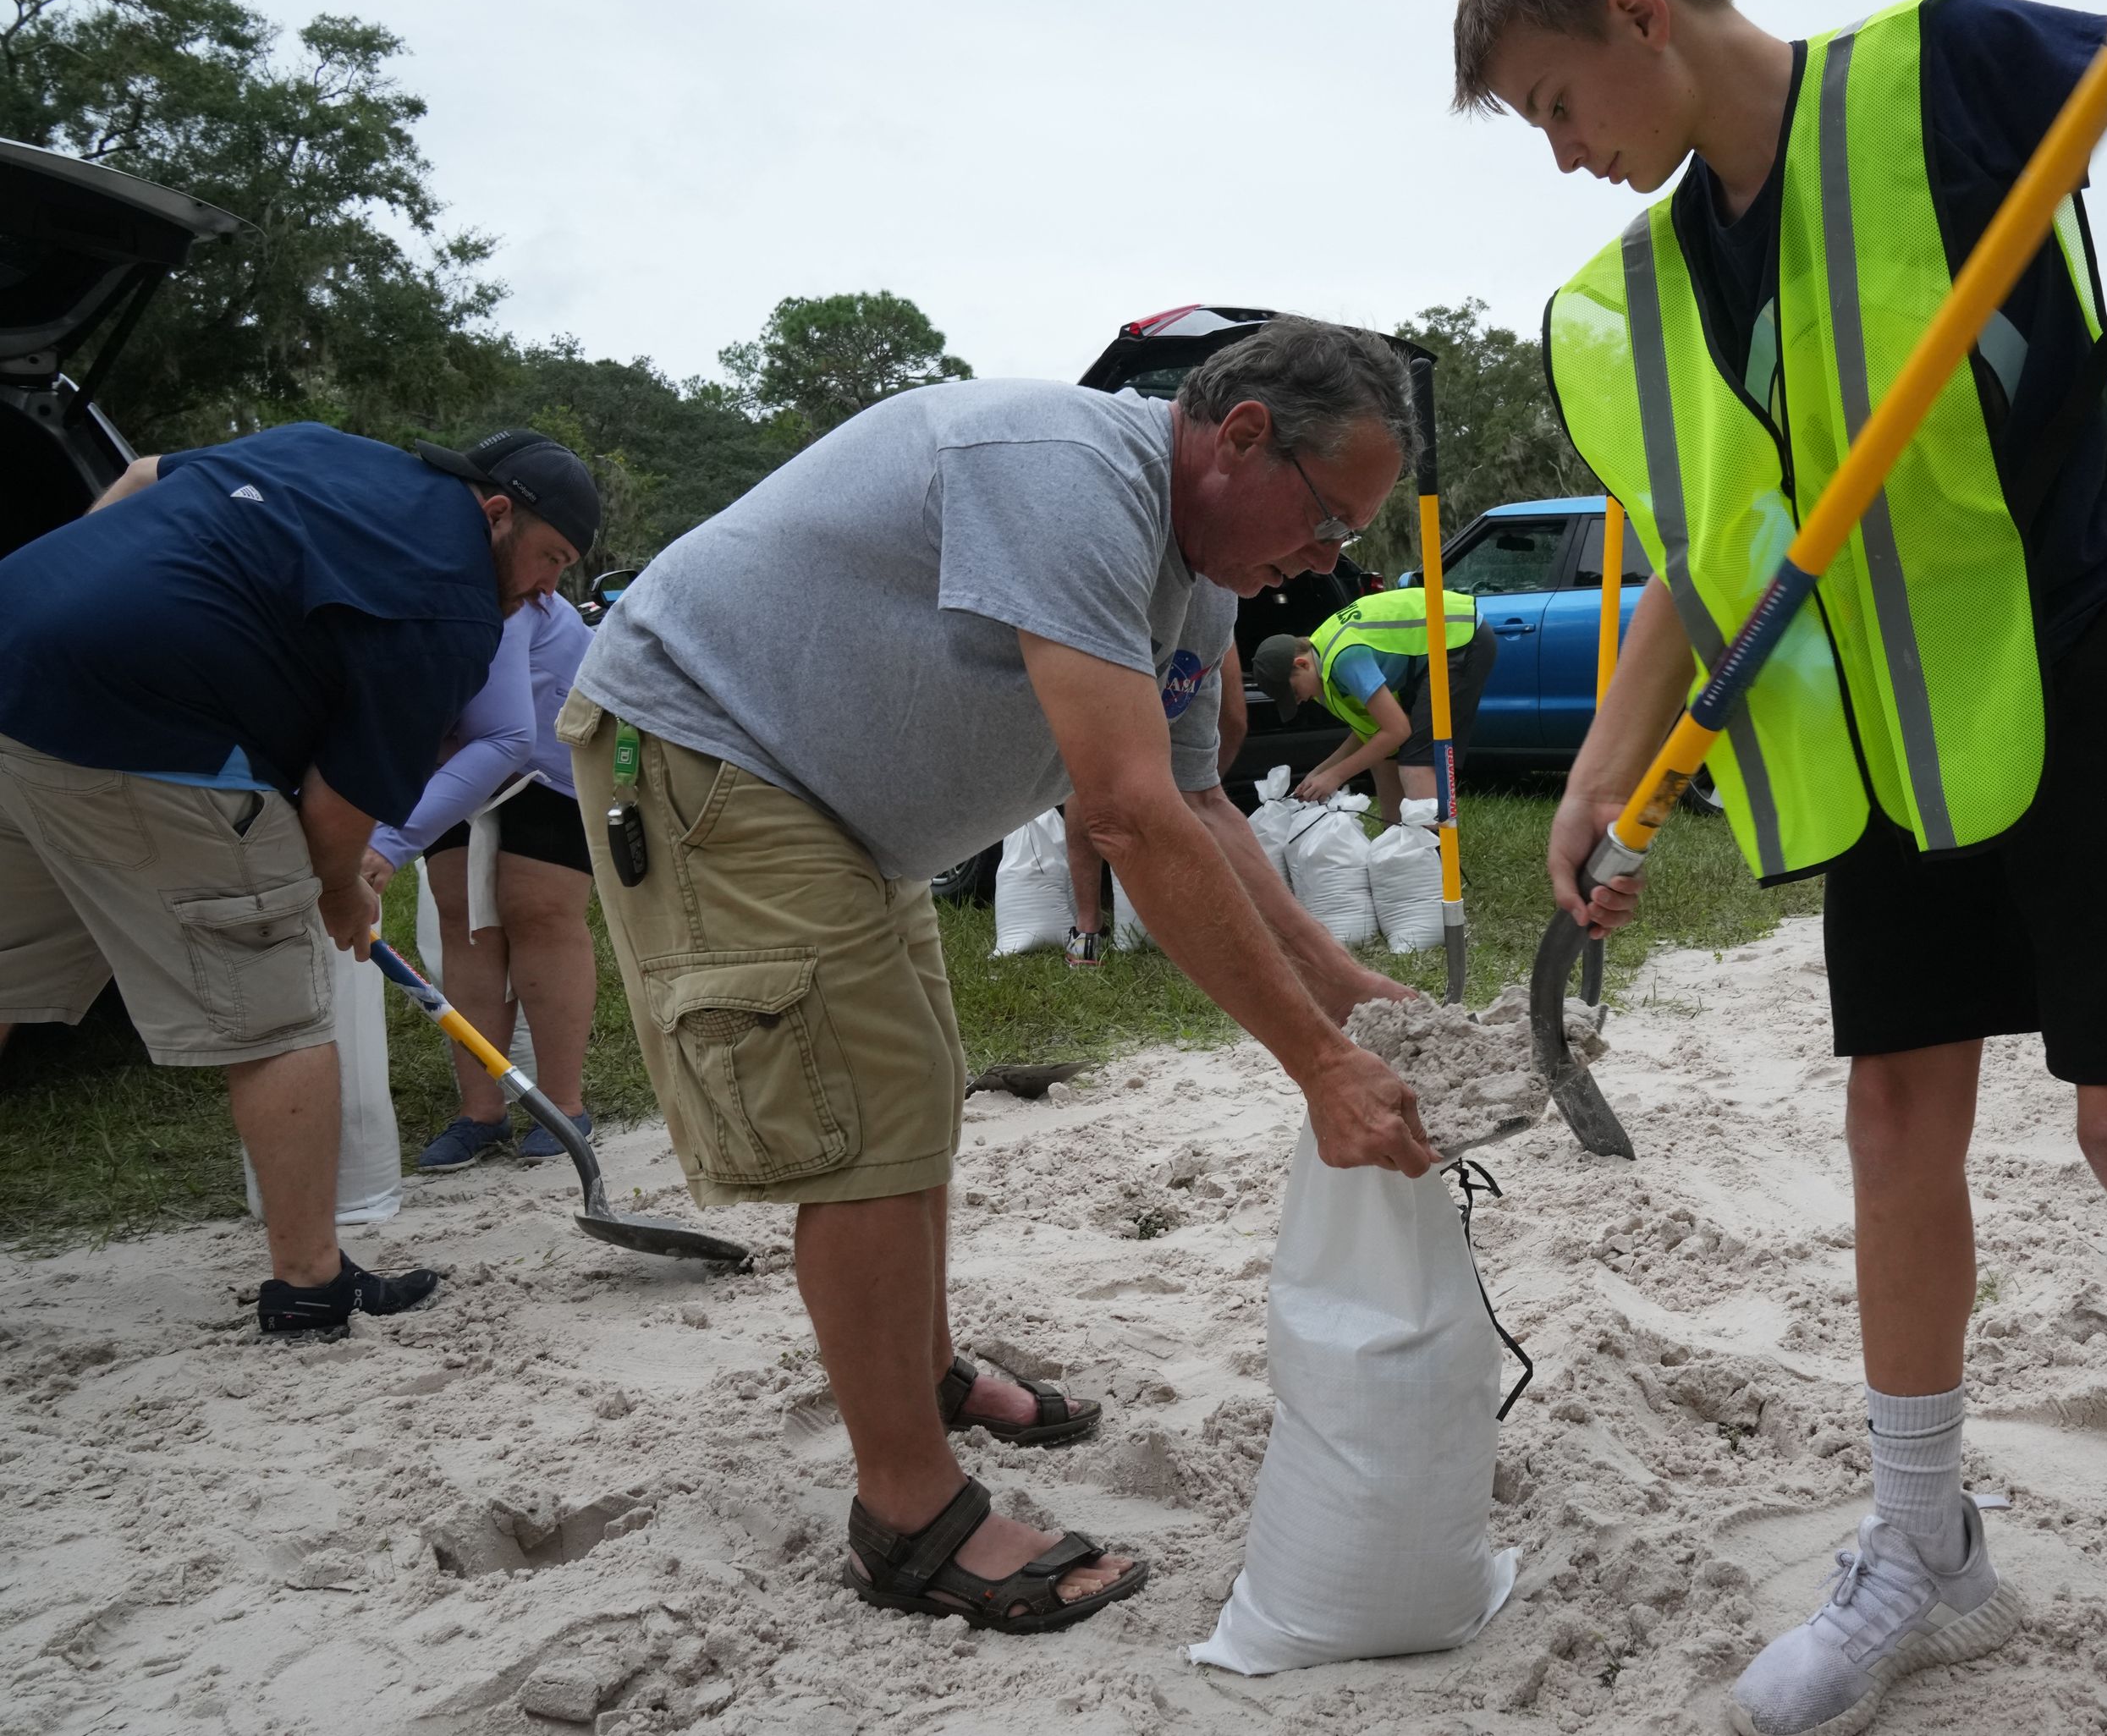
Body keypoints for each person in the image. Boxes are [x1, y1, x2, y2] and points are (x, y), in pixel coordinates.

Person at [1460, 0, 2107, 1736]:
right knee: (1895, 1114)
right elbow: (1719, 543)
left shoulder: (1940, 73)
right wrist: (1605, 781)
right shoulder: (1662, 277)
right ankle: (1922, 1544)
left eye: (1557, 100)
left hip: (2084, 659)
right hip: (1895, 731)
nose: (1561, 150)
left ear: (1639, 10)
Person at [565, 318, 1438, 1633]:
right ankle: (908, 1517)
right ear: (1241, 433)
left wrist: (1341, 984)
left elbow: (1200, 802)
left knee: (916, 1084)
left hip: (847, 811)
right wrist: (1316, 1066)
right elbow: (1127, 815)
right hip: (708, 743)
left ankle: (919, 1377)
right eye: (1324, 520)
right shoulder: (1067, 471)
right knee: (861, 1117)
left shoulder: (1200, 576)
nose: (1324, 563)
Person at [0, 422, 594, 1338]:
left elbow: (141, 472)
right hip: (153, 731)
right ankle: (311, 1282)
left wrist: (74, 611)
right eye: (550, 556)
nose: (550, 586)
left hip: (13, 658)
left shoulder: (329, 447)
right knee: (277, 1006)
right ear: (498, 511)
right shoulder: (450, 604)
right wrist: (340, 892)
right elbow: (335, 812)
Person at [361, 588, 601, 1165]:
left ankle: (562, 1105)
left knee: (537, 906)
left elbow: (508, 734)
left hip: (550, 752)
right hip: (448, 753)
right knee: (460, 914)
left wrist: (386, 846)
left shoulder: (502, 595)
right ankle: (480, 1111)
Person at [1062, 642, 1246, 966]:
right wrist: (1201, 791)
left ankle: (1086, 931)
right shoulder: (1216, 610)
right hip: (1166, 630)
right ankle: (1198, 928)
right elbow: (1234, 721)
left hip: (1128, 637)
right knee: (1091, 762)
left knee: (1087, 763)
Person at [1250, 588, 1498, 815]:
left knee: (1417, 764)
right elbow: (1373, 733)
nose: (1300, 701)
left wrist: (1336, 776)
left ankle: (1430, 855)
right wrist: (1322, 772)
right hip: (1430, 650)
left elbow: (1397, 730)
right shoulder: (1322, 661)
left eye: (1293, 692)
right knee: (1381, 759)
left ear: (1301, 664)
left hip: (1458, 637)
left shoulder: (1344, 659)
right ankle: (1393, 844)